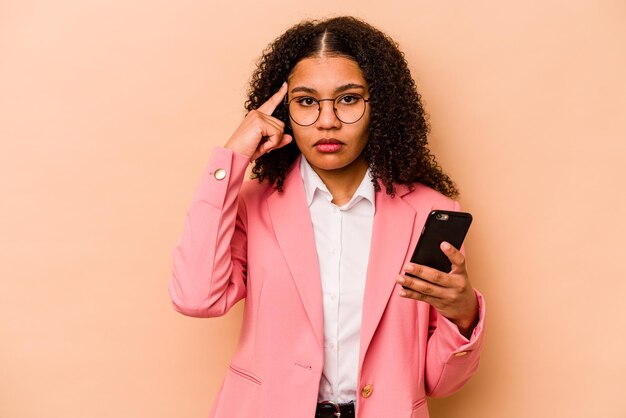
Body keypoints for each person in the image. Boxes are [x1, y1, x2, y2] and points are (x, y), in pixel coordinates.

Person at [168, 16, 485, 418]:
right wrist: (231, 159)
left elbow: (440, 383)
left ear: (379, 107)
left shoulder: (428, 213)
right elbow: (196, 298)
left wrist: (462, 315)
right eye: (306, 101)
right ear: (284, 110)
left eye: (349, 99)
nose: (327, 120)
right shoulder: (252, 204)